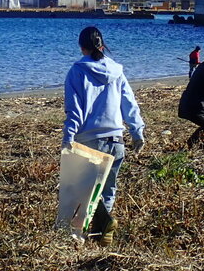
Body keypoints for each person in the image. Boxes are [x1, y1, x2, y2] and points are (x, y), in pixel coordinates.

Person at [62, 26, 146, 247]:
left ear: (81, 47)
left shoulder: (77, 71)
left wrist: (68, 138)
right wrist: (137, 132)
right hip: (116, 141)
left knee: (83, 190)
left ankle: (99, 227)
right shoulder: (117, 71)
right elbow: (129, 103)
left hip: (90, 141)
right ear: (102, 45)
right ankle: (100, 236)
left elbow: (75, 110)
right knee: (107, 190)